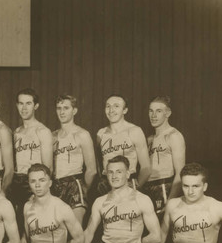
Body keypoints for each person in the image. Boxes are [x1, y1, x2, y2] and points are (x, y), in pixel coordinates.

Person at [10, 88, 53, 235]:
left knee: (34, 225)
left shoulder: (43, 131)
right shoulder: (16, 132)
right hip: (16, 182)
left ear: (36, 106)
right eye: (21, 103)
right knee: (17, 226)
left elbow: (47, 167)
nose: (24, 107)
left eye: (28, 103)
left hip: (33, 182)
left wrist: (38, 187)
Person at [52, 94, 96, 224]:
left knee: (75, 229)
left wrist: (83, 189)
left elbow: (92, 169)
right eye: (59, 108)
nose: (62, 111)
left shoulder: (82, 134)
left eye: (66, 108)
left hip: (74, 183)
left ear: (74, 111)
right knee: (58, 230)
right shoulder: (52, 136)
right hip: (55, 185)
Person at [96, 95, 151, 195]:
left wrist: (135, 190)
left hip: (128, 182)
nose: (111, 110)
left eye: (116, 106)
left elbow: (146, 168)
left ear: (125, 110)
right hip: (107, 184)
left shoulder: (134, 131)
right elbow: (99, 165)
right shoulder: (101, 134)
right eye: (108, 106)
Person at [144, 96, 186, 217]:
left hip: (164, 187)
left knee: (163, 229)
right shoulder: (149, 139)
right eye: (151, 111)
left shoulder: (174, 136)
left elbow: (180, 172)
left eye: (158, 111)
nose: (153, 115)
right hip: (148, 188)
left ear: (168, 113)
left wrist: (170, 201)